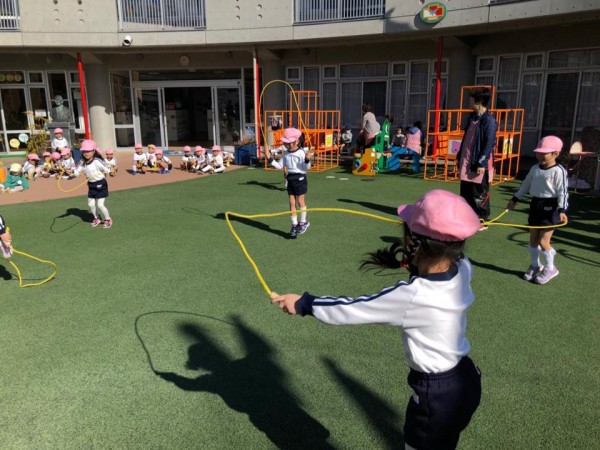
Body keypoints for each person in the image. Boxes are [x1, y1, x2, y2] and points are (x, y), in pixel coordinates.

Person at [271, 189, 482, 449]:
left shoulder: (414, 295)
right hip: (466, 379)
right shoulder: (462, 267)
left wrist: (304, 303)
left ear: (414, 243)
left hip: (437, 395)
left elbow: (352, 309)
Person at [506, 135, 568, 284]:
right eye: (538, 152)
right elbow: (525, 185)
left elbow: (562, 192)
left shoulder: (559, 171)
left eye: (544, 153)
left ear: (555, 154)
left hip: (551, 207)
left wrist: (562, 210)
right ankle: (535, 265)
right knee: (533, 238)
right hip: (535, 205)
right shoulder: (534, 169)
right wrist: (515, 199)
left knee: (543, 241)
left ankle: (550, 268)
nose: (539, 155)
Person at [457, 87, 498, 222]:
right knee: (466, 191)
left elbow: (489, 143)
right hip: (467, 160)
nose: (469, 101)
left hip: (478, 162)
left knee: (479, 192)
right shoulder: (472, 118)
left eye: (471, 99)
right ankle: (467, 216)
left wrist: (482, 162)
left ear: (478, 101)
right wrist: (459, 157)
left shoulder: (489, 121)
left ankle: (482, 218)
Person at [265, 127, 312, 239]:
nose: (288, 145)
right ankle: (294, 225)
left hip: (300, 178)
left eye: (290, 143)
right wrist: (270, 158)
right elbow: (280, 166)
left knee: (300, 201)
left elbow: (306, 168)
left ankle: (303, 222)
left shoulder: (301, 153)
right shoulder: (286, 154)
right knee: (291, 202)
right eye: (286, 143)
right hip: (290, 178)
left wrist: (307, 159)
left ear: (297, 141)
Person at [73, 140, 113, 229]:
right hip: (91, 185)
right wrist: (72, 175)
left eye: (88, 151)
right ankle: (96, 218)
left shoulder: (97, 161)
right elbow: (77, 171)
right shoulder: (82, 162)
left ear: (94, 151)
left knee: (100, 205)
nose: (86, 153)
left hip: (101, 184)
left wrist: (111, 172)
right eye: (84, 151)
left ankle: (108, 219)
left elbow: (107, 168)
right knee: (91, 204)